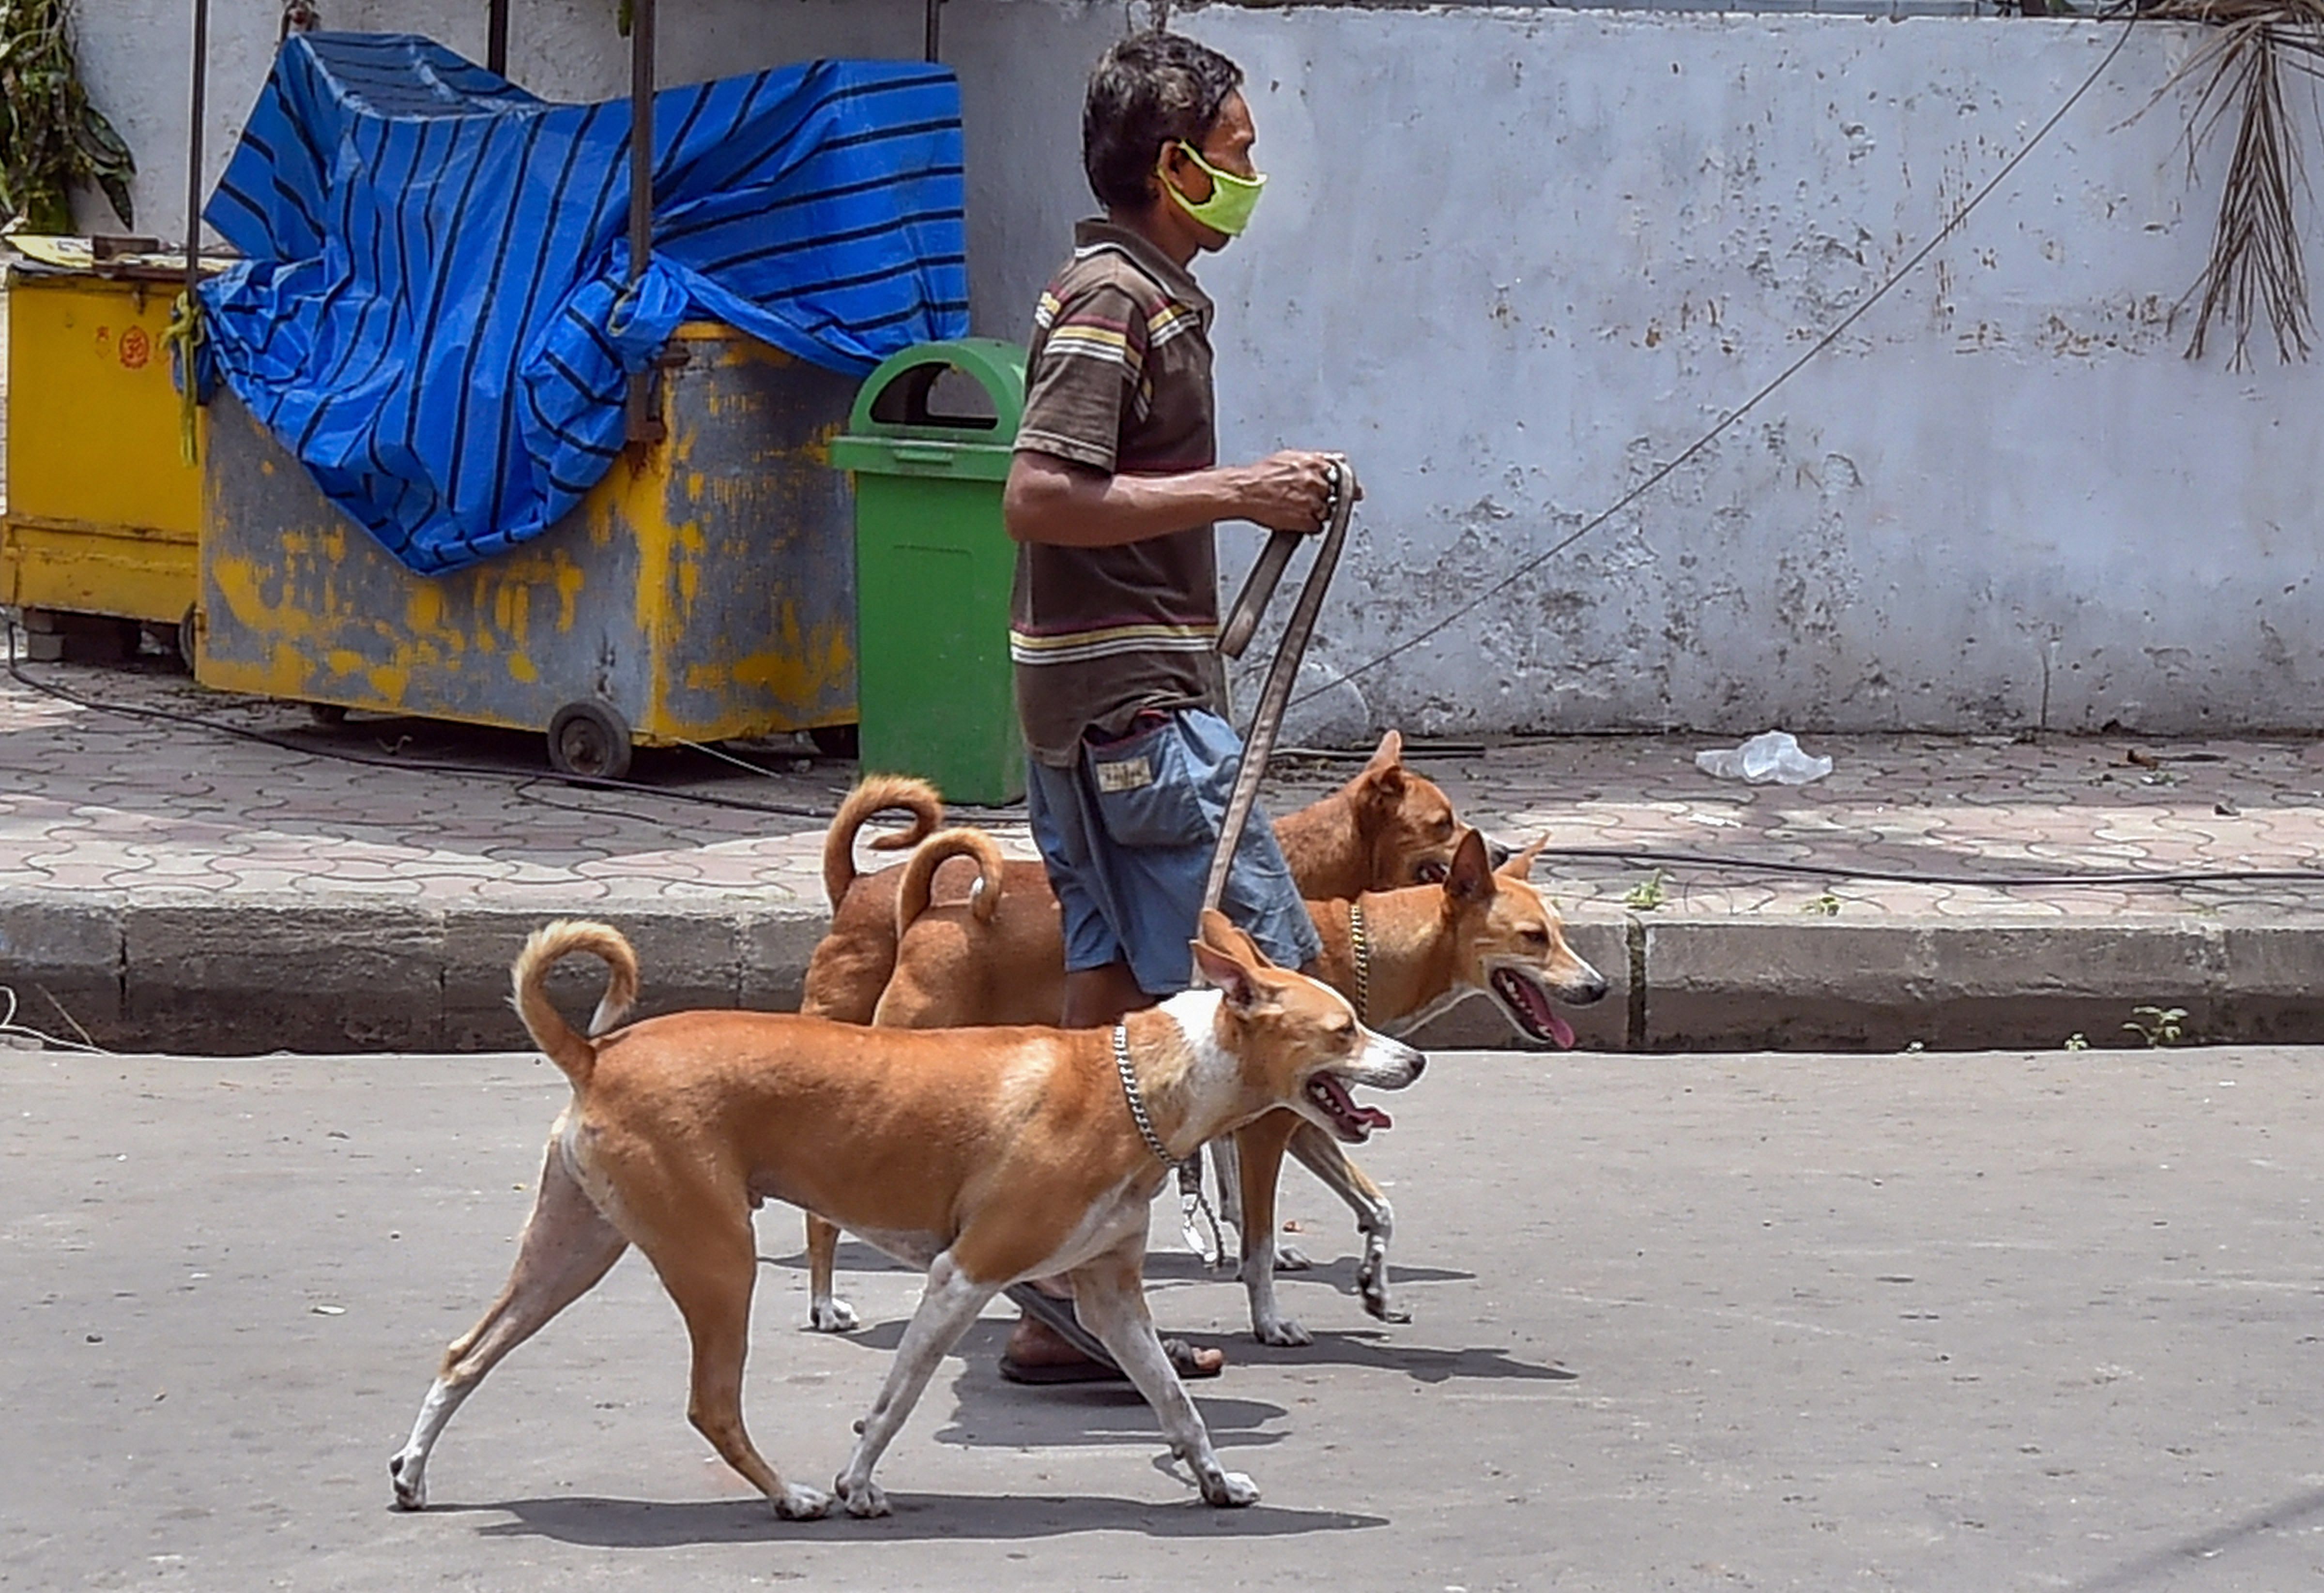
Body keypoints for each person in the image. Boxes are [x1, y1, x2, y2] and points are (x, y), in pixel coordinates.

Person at [997, 30, 1344, 1384]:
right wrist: (1239, 492)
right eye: (1241, 154)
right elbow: (1036, 493)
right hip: (1129, 715)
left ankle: (1063, 1292)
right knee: (1272, 971)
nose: (1254, 176)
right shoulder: (1111, 300)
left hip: (1092, 706)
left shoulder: (1142, 292)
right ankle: (1073, 1261)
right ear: (1174, 166)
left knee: (1109, 987)